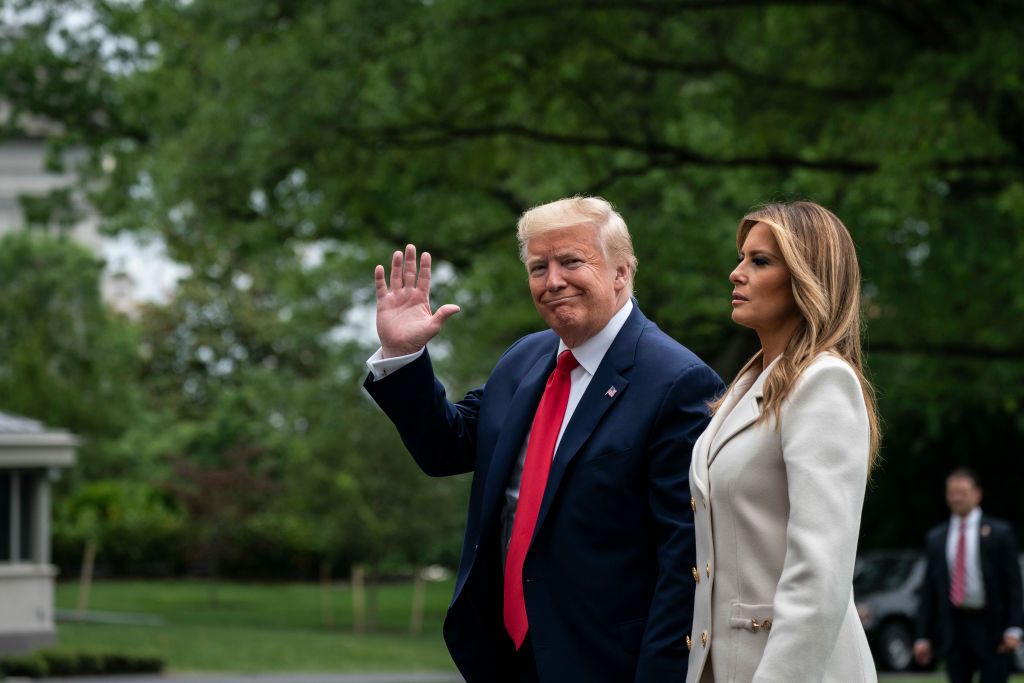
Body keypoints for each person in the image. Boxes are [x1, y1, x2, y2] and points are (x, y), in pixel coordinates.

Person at [363, 196, 724, 682]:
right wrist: (403, 357)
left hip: (603, 661)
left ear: (621, 272)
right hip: (504, 656)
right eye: (538, 267)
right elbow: (445, 447)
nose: (552, 281)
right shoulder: (525, 359)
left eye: (571, 261)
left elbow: (684, 563)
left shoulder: (678, 382)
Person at [685, 201, 879, 682]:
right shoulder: (746, 386)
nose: (736, 273)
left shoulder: (824, 383)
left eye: (760, 261)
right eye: (741, 257)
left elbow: (819, 578)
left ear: (806, 278)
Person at [913, 468, 1023, 683]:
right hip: (954, 627)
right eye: (952, 493)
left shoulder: (1000, 533)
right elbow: (929, 590)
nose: (957, 498)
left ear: (977, 494)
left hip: (992, 627)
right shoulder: (937, 537)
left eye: (962, 492)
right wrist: (922, 636)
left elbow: (1013, 585)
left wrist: (1014, 628)